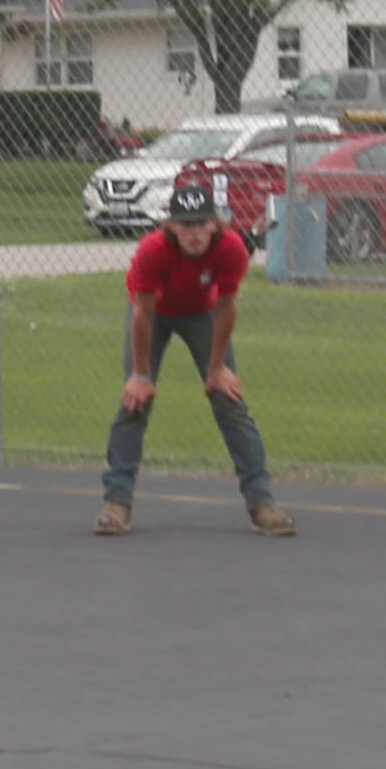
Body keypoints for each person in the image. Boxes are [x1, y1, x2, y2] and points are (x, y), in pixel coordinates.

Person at [95, 179, 296, 537]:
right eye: (187, 224)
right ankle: (117, 503)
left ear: (214, 222)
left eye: (203, 222)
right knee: (135, 403)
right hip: (154, 316)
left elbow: (226, 307)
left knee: (229, 400)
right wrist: (141, 375)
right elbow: (142, 313)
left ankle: (261, 503)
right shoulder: (153, 249)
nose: (195, 233)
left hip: (202, 315)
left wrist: (217, 368)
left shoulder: (231, 247)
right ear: (171, 225)